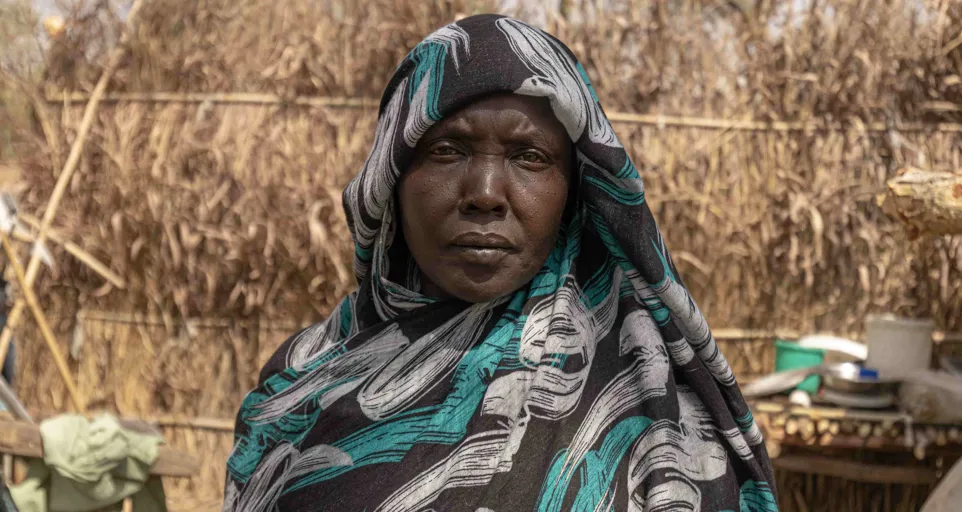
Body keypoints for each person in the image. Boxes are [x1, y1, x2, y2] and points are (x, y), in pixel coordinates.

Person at [223, 14, 776, 512]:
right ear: (387, 182)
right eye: (447, 150)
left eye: (529, 157)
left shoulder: (655, 402)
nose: (485, 192)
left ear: (575, 192)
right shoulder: (297, 382)